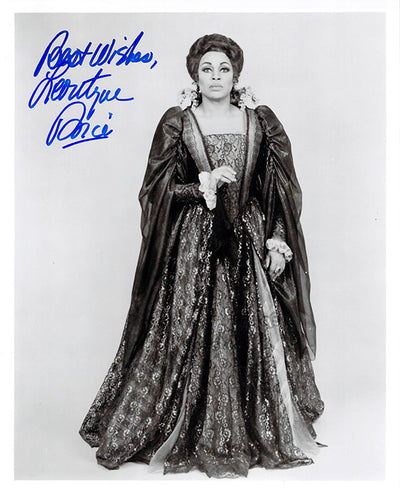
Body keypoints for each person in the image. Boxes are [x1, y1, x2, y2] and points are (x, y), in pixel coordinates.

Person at [79, 33, 324, 479]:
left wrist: (277, 240)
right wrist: (202, 185)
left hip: (249, 240)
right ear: (194, 75)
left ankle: (250, 426)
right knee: (189, 329)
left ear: (236, 75)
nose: (215, 77)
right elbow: (156, 192)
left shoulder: (260, 122)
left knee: (250, 326)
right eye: (207, 69)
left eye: (224, 69)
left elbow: (279, 190)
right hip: (196, 243)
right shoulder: (178, 123)